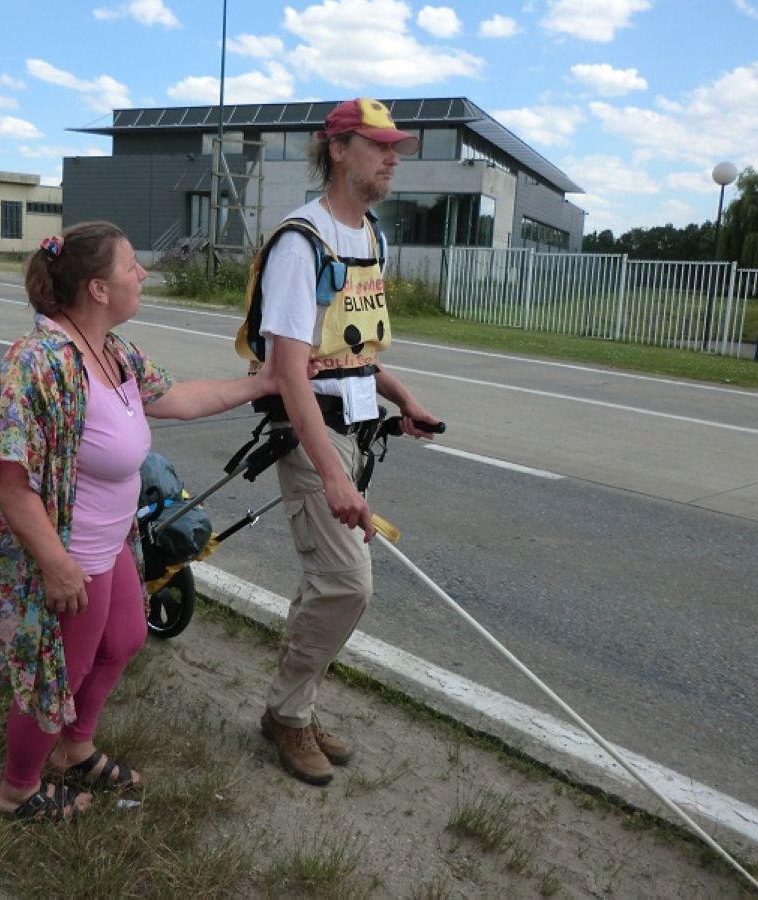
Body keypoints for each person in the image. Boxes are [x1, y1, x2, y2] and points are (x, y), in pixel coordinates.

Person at [0, 221, 277, 820]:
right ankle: (17, 789)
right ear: (99, 289)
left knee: (123, 639)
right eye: (131, 266)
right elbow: (9, 479)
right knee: (57, 680)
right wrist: (56, 565)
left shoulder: (112, 352)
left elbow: (179, 398)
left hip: (111, 544)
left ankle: (75, 750)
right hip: (72, 556)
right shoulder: (37, 362)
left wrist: (264, 383)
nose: (142, 275)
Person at [236, 98, 442, 786]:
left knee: (326, 585)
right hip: (309, 434)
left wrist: (403, 400)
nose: (392, 159)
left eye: (395, 149)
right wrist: (329, 472)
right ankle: (287, 716)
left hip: (353, 430)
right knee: (348, 584)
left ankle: (295, 705)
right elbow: (289, 371)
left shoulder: (371, 239)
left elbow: (352, 350)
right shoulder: (304, 243)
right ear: (338, 149)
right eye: (378, 146)